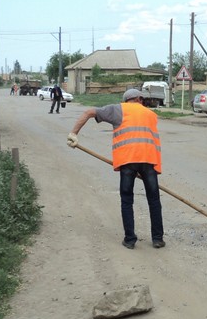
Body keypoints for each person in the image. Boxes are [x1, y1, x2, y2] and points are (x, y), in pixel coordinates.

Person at [66, 88, 165, 250]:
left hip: (127, 161)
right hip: (149, 161)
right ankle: (157, 239)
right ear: (139, 99)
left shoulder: (118, 110)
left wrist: (73, 133)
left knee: (127, 199)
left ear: (126, 100)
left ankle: (130, 239)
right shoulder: (151, 114)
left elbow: (89, 112)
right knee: (154, 200)